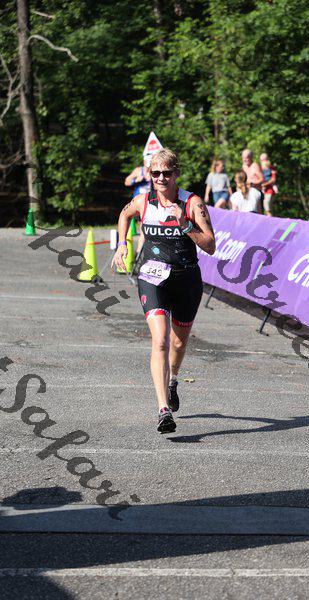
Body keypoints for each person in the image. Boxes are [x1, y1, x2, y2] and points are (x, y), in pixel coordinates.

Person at [113, 149, 215, 434]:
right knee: (160, 340)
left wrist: (185, 224)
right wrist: (121, 243)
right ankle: (163, 410)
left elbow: (210, 245)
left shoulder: (192, 203)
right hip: (152, 277)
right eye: (155, 173)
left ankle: (173, 380)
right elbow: (124, 214)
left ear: (176, 173)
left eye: (166, 173)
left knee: (178, 344)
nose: (161, 178)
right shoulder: (143, 201)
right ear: (150, 174)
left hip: (186, 279)